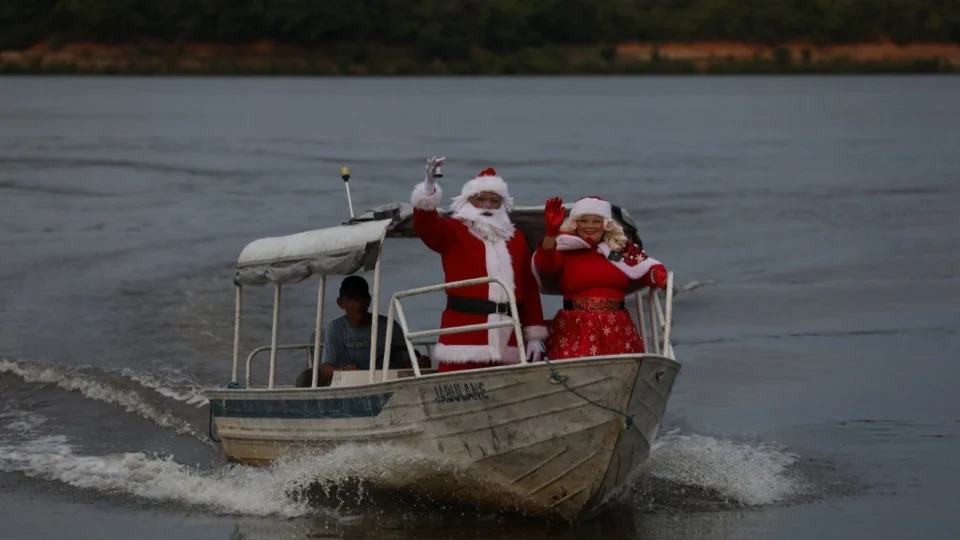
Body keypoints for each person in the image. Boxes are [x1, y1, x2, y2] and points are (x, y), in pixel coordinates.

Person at [410, 156, 548, 372]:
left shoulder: (516, 239)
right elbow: (426, 227)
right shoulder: (453, 231)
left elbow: (529, 289)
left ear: (503, 204)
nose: (487, 205)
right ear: (467, 200)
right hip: (463, 337)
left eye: (495, 200)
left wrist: (534, 335)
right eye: (481, 199)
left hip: (509, 338)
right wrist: (428, 187)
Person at [532, 196, 668, 359]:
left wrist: (658, 277)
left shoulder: (618, 250)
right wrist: (551, 234)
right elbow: (545, 265)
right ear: (575, 223)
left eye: (596, 221)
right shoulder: (565, 248)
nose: (590, 226)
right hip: (576, 327)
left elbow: (645, 267)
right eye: (584, 221)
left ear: (605, 224)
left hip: (617, 327)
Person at [295, 275, 424, 387]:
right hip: (348, 386)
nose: (357, 304)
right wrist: (342, 371)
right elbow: (325, 369)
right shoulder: (335, 328)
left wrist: (419, 364)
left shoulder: (389, 326)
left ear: (369, 300)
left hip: (384, 383)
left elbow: (407, 361)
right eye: (351, 299)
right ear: (340, 303)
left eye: (362, 297)